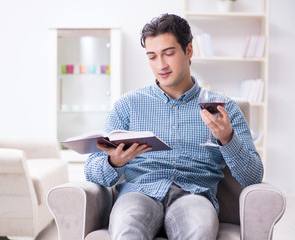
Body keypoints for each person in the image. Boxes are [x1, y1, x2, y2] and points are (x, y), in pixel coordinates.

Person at [85, 13, 263, 240]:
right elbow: (92, 170)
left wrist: (228, 139)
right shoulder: (127, 105)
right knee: (126, 227)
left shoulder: (224, 109)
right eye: (152, 57)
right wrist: (114, 162)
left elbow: (254, 177)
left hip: (194, 195)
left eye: (168, 54)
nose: (161, 65)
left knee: (201, 229)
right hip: (139, 193)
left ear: (188, 51)